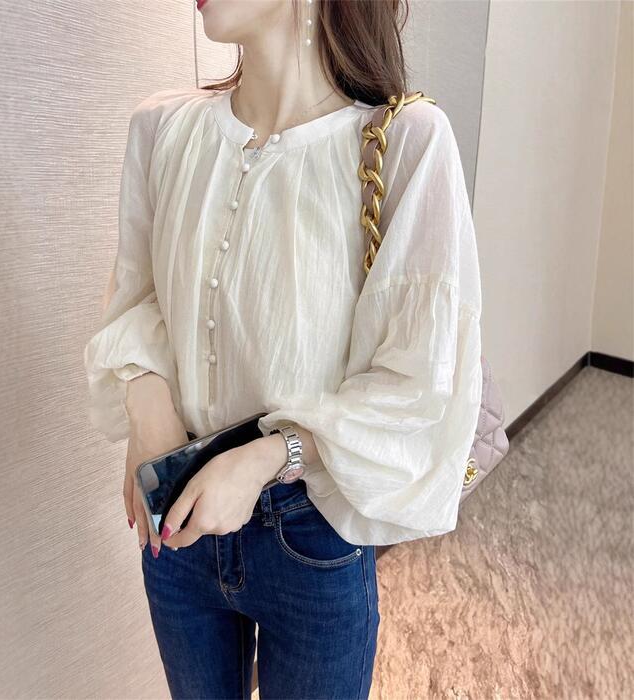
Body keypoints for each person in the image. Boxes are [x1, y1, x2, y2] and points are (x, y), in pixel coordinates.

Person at [83, 0, 483, 697]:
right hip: (178, 520)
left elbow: (418, 382)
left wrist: (270, 455)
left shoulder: (405, 142)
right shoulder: (164, 130)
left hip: (312, 530)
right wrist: (147, 411)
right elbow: (135, 298)